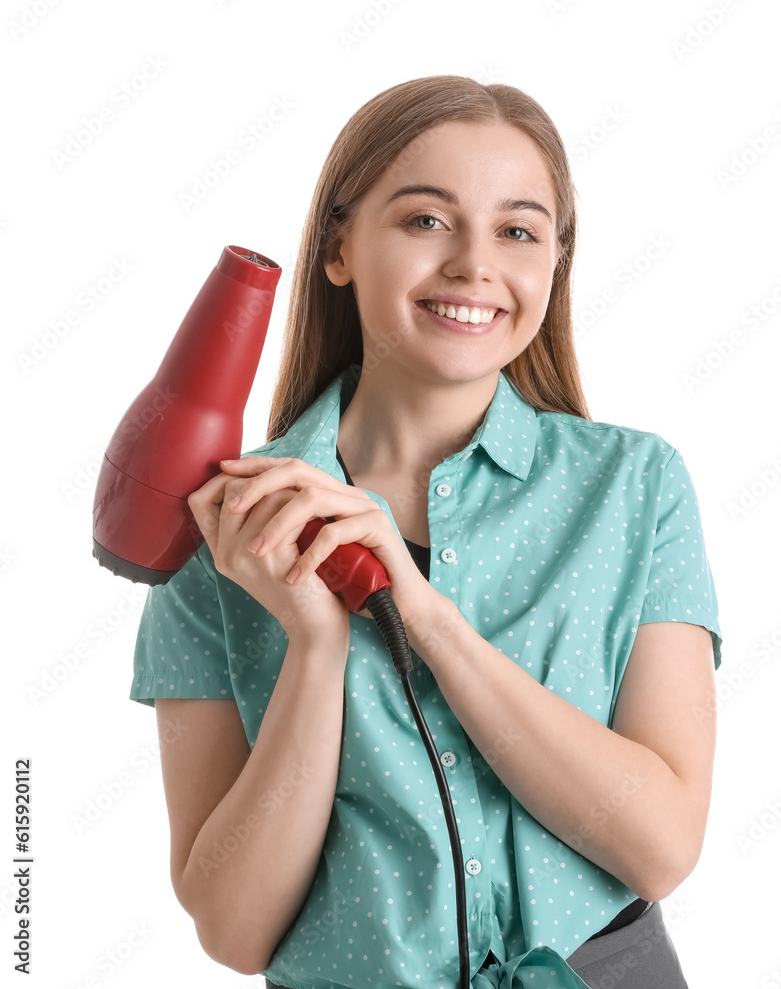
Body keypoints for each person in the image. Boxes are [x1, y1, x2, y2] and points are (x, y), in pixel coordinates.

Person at [130, 75, 723, 989]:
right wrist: (315, 645)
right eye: (425, 221)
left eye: (517, 231)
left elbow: (660, 848)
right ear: (338, 248)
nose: (474, 265)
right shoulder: (221, 535)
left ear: (554, 263)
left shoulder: (636, 489)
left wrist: (426, 619)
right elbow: (234, 930)